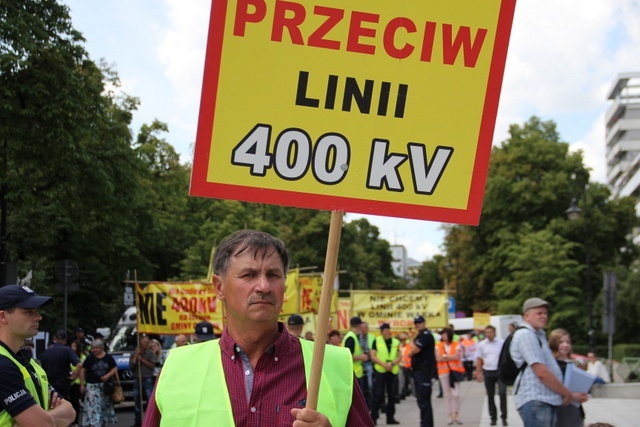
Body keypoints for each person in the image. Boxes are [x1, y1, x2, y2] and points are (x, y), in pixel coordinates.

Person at [144, 229, 374, 426]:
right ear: (219, 286)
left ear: (284, 286)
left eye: (273, 275)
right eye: (249, 274)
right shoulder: (177, 367)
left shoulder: (331, 365)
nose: (264, 286)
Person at [0, 284, 76, 426]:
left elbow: (70, 412)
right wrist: (46, 419)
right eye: (29, 312)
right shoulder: (3, 364)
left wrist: (44, 417)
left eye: (37, 311)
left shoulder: (28, 362)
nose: (38, 317)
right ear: (3, 316)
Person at [510, 297, 588, 427]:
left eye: (545, 313)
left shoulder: (537, 334)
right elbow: (541, 372)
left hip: (543, 400)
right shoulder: (526, 335)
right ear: (526, 316)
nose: (544, 316)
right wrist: (567, 394)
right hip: (536, 399)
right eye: (539, 313)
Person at [549, 329, 586, 427]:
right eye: (561, 342)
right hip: (559, 408)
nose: (565, 345)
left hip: (575, 409)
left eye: (568, 342)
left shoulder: (573, 364)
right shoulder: (551, 365)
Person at [475, 325, 508, 426]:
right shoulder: (482, 344)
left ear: (494, 332)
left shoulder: (501, 343)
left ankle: (504, 416)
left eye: (490, 332)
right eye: (487, 332)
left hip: (499, 371)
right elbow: (479, 359)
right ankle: (493, 417)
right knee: (490, 395)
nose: (488, 334)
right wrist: (478, 372)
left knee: (502, 393)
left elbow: (506, 357)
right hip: (488, 371)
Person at [81, 339, 118, 427]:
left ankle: (101, 423)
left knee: (103, 406)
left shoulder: (108, 358)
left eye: (96, 348)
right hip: (92, 386)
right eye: (93, 348)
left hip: (105, 387)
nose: (94, 350)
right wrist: (82, 384)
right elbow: (83, 370)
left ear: (101, 348)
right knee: (93, 406)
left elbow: (114, 368)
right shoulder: (89, 358)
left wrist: (107, 376)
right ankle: (93, 424)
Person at [370, 322, 401, 425]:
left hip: (392, 370)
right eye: (383, 330)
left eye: (387, 329)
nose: (385, 332)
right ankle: (373, 417)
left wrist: (391, 364)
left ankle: (390, 417)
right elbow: (373, 355)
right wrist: (384, 364)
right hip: (380, 370)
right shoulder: (377, 340)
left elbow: (399, 356)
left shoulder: (396, 342)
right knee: (378, 394)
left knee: (392, 395)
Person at [38, 329, 83, 401]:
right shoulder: (67, 350)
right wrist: (73, 377)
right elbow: (79, 365)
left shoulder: (45, 352)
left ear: (55, 338)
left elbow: (39, 367)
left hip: (49, 384)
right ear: (66, 339)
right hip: (63, 384)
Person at [409, 314, 436, 427]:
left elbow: (414, 350)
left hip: (424, 372)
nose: (417, 325)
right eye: (416, 323)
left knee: (424, 400)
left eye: (419, 323)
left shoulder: (426, 335)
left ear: (424, 323)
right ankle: (425, 424)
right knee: (422, 400)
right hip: (419, 371)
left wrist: (410, 339)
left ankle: (426, 424)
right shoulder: (420, 336)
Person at [436, 327, 465, 425]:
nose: (443, 336)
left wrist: (445, 356)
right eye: (442, 335)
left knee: (456, 394)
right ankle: (450, 415)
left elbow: (456, 356)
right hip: (443, 371)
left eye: (445, 334)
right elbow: (438, 358)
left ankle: (457, 414)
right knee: (447, 395)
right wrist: (449, 357)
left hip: (455, 371)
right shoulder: (438, 345)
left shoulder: (456, 344)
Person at [130, 334, 156, 427]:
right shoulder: (134, 353)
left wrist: (142, 360)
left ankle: (151, 420)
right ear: (140, 342)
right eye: (144, 342)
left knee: (150, 399)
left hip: (147, 378)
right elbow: (131, 366)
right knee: (137, 400)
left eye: (147, 342)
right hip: (137, 378)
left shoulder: (150, 353)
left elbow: (152, 365)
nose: (146, 344)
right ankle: (138, 421)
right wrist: (136, 356)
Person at [342, 316, 368, 402]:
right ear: (359, 325)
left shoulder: (354, 336)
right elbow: (348, 356)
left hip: (356, 372)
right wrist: (362, 357)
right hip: (353, 373)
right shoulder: (351, 338)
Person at [69, 339, 87, 427]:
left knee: (75, 402)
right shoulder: (68, 356)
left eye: (74, 346)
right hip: (70, 381)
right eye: (72, 346)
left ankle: (76, 421)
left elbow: (82, 370)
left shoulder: (82, 357)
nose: (73, 348)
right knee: (70, 402)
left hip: (77, 382)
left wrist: (82, 384)